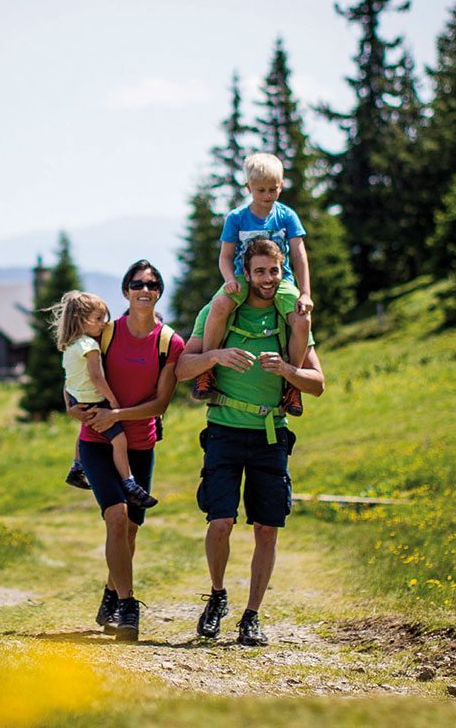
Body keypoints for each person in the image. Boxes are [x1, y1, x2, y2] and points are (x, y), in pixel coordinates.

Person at [175, 238, 325, 647]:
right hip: (223, 430)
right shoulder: (219, 310)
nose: (267, 280)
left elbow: (318, 384)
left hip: (271, 435)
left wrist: (288, 370)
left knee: (267, 528)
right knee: (220, 521)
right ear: (246, 271)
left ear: (282, 271)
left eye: (274, 271)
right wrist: (215, 357)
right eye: (259, 272)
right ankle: (218, 596)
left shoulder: (288, 316)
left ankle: (252, 615)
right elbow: (181, 369)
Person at [67, 260, 184, 642]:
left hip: (140, 443)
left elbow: (160, 404)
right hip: (97, 440)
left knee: (131, 529)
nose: (144, 289)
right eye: (136, 283)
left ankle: (111, 594)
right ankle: (128, 605)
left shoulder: (170, 342)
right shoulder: (107, 333)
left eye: (151, 283)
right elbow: (75, 373)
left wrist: (117, 412)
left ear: (159, 291)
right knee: (116, 517)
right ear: (125, 291)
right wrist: (71, 405)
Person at [189, 153, 314, 418]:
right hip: (242, 278)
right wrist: (230, 280)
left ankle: (293, 384)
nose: (267, 195)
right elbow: (224, 256)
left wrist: (304, 293)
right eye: (261, 190)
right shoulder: (236, 218)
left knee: (302, 321)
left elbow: (299, 255)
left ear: (281, 186)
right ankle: (206, 369)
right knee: (220, 304)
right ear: (248, 188)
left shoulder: (287, 216)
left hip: (282, 281)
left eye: (273, 189)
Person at [49, 290, 156, 508]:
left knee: (86, 429)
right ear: (82, 320)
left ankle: (77, 466)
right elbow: (97, 377)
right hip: (94, 399)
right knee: (119, 440)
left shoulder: (69, 345)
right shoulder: (90, 346)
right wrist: (113, 401)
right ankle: (129, 482)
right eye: (98, 318)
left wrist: (70, 403)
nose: (103, 323)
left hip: (76, 397)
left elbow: (69, 379)